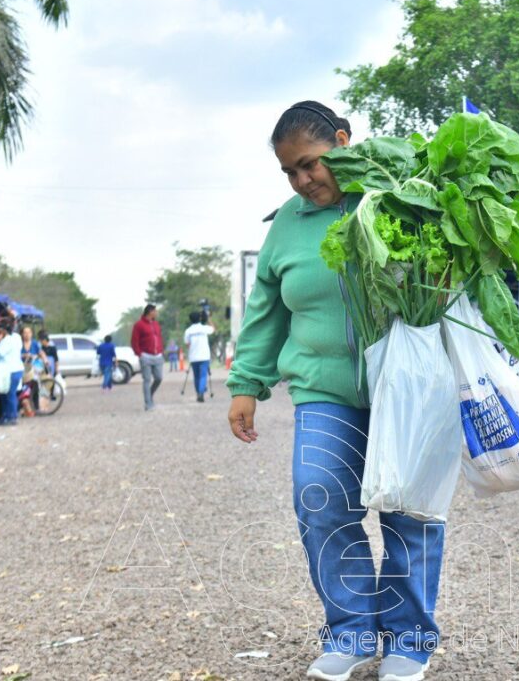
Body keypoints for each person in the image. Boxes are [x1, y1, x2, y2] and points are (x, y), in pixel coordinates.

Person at [227, 100, 444, 681]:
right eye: (290, 172)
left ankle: (409, 640)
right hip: (325, 388)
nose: (303, 181)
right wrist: (247, 383)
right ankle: (349, 633)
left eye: (310, 164)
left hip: (406, 388)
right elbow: (265, 309)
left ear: (343, 141)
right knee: (319, 498)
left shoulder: (401, 197)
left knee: (409, 511)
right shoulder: (288, 226)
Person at [131, 304, 164, 411]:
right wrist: (139, 354)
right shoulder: (139, 325)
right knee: (147, 380)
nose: (157, 313)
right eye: (155, 311)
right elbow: (134, 341)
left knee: (159, 378)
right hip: (145, 356)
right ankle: (148, 403)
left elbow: (159, 338)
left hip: (158, 355)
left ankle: (149, 395)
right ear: (150, 312)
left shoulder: (156, 324)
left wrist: (161, 350)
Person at [184, 311, 214, 403]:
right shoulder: (204, 328)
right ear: (199, 318)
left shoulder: (188, 331)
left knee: (196, 376)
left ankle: (198, 393)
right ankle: (201, 393)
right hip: (204, 356)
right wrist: (209, 319)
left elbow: (187, 344)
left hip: (194, 357)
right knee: (203, 375)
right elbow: (213, 329)